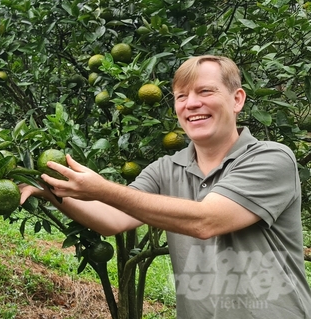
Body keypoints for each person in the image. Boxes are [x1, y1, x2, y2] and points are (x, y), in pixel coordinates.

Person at [25, 55, 311, 318]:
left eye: (205, 92)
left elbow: (206, 220)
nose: (191, 104)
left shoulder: (271, 157)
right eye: (181, 96)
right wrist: (44, 188)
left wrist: (102, 188)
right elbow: (112, 219)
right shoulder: (167, 169)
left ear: (237, 100)